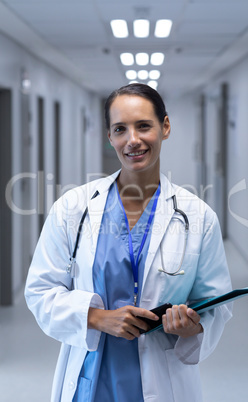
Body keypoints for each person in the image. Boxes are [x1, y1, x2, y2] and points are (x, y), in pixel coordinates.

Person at [25, 83, 232, 402]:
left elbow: (216, 304)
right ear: (110, 137)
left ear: (165, 127)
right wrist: (97, 318)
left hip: (163, 381)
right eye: (120, 129)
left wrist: (192, 327)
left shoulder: (198, 216)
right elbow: (40, 291)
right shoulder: (73, 208)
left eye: (144, 126)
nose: (132, 140)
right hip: (91, 379)